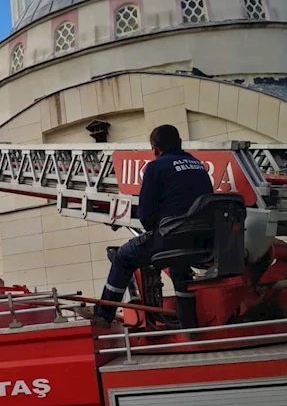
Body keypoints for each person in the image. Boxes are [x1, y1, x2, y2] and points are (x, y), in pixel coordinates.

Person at [82, 124, 214, 330]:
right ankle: (191, 327)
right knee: (179, 264)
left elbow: (146, 216)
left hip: (172, 237)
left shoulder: (155, 167)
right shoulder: (197, 165)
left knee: (124, 257)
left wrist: (155, 228)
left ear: (155, 149)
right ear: (179, 143)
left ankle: (104, 314)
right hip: (204, 240)